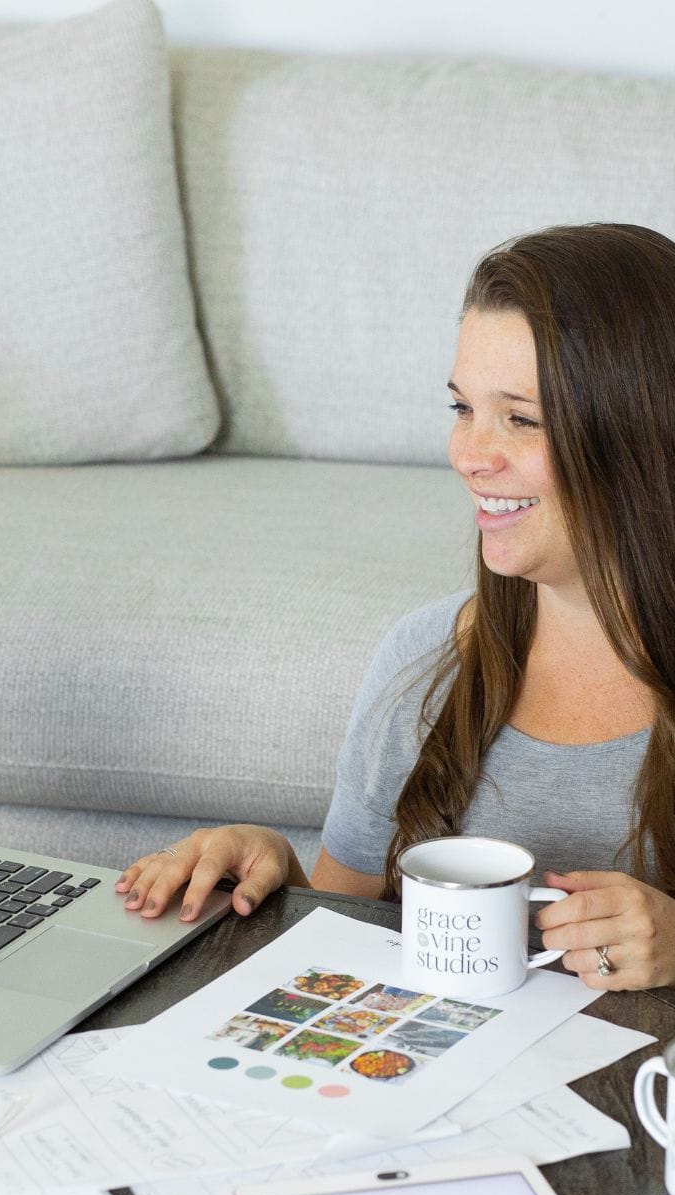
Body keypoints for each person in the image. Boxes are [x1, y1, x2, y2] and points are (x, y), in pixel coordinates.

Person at [116, 222, 675, 993]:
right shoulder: (425, 661)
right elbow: (344, 938)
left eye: (520, 418)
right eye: (462, 408)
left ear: (642, 431)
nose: (470, 455)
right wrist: (273, 882)